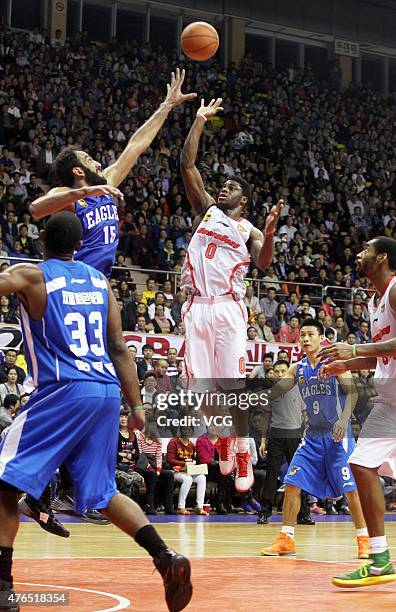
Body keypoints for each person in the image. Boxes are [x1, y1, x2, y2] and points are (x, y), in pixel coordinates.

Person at [0, 212, 192, 611]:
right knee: (103, 492)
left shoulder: (33, 275)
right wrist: (137, 405)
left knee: (2, 480)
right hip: (106, 392)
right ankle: (165, 556)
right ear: (78, 245)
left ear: (41, 241)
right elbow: (120, 347)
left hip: (63, 389)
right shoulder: (98, 280)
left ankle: (3, 587)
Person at [180, 97, 283, 492]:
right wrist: (199, 120)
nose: (224, 188)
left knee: (234, 385)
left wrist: (270, 235)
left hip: (227, 309)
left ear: (244, 200)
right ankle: (224, 439)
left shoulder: (250, 231)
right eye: (223, 184)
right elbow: (188, 165)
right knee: (203, 391)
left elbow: (264, 264)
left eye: (232, 187)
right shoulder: (205, 209)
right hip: (195, 308)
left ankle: (241, 448)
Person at [29, 69, 196, 278]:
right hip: (72, 278)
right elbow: (36, 209)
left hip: (101, 278)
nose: (98, 163)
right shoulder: (67, 195)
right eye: (90, 160)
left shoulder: (107, 183)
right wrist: (84, 193)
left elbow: (136, 144)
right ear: (78, 171)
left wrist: (167, 106)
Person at [319, 236, 396, 588]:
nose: (358, 253)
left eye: (365, 249)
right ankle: (380, 560)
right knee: (360, 464)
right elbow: (382, 354)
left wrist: (354, 347)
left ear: (382, 258)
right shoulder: (374, 301)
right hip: (387, 400)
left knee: (361, 464)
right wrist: (348, 363)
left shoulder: (395, 290)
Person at [259, 319, 369, 560]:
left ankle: (364, 539)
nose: (306, 339)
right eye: (302, 335)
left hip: (339, 436)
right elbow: (277, 392)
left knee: (350, 489)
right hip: (312, 438)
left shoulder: (336, 363)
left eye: (310, 334)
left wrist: (343, 420)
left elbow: (353, 393)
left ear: (321, 338)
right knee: (292, 482)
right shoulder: (297, 369)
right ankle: (286, 539)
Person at [256, 360, 312, 526]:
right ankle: (265, 512)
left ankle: (304, 514)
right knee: (271, 475)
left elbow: (305, 415)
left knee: (299, 475)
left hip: (295, 436)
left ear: (289, 371)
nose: (280, 374)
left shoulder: (299, 389)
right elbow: (265, 418)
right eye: (277, 371)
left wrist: (306, 435)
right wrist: (263, 440)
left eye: (283, 371)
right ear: (272, 373)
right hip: (276, 436)